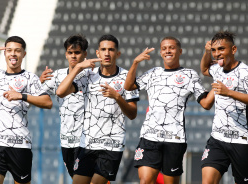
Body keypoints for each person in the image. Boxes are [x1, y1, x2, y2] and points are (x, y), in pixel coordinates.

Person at [124, 36, 214, 184]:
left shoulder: (189, 75)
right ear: (160, 53)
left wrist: (218, 82)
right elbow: (128, 86)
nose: (168, 51)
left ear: (180, 51)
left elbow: (206, 103)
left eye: (171, 48)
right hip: (149, 137)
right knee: (145, 180)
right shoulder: (152, 73)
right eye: (164, 48)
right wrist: (135, 63)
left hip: (175, 138)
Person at [0, 36, 53, 184]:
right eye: (9, 50)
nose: (13, 54)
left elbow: (47, 102)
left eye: (17, 51)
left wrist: (21, 96)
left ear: (23, 54)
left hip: (19, 143)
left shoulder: (30, 78)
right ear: (5, 53)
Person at [56, 34, 139, 184]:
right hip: (87, 144)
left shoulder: (127, 77)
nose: (107, 53)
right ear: (97, 53)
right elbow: (60, 92)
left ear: (118, 53)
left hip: (112, 144)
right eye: (103, 49)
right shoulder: (88, 75)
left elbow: (133, 114)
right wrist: (79, 67)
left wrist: (117, 97)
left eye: (111, 50)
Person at [200, 31, 248, 184]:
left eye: (221, 49)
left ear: (233, 50)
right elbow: (204, 69)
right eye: (214, 50)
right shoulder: (217, 70)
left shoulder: (245, 73)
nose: (217, 54)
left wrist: (229, 93)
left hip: (241, 140)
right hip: (217, 139)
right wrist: (207, 52)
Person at [40, 34, 87, 178]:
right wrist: (39, 81)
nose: (73, 56)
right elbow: (36, 92)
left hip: (87, 139)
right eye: (70, 53)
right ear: (66, 54)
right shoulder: (57, 75)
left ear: (85, 54)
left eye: (77, 52)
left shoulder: (92, 76)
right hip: (66, 139)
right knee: (76, 178)